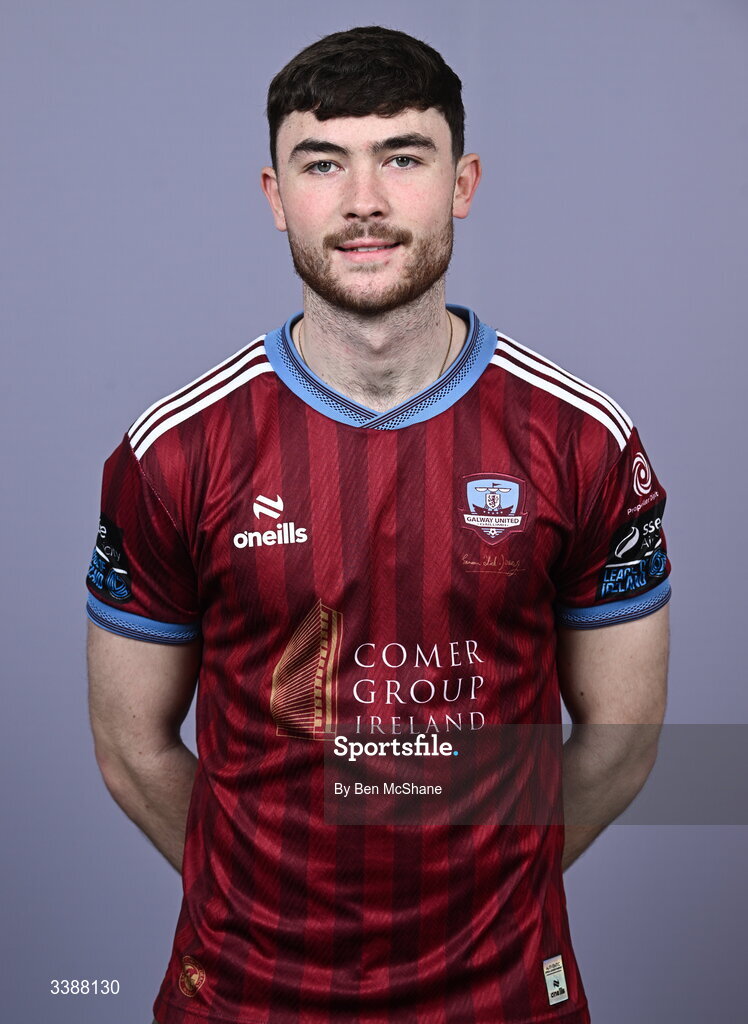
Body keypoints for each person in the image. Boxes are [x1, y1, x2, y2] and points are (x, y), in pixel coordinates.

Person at [86, 25, 670, 1024]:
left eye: (403, 157)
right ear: (276, 196)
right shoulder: (173, 451)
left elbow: (621, 739)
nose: (363, 200)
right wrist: (257, 896)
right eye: (323, 164)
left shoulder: (583, 440)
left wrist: (484, 894)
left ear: (462, 183)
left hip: (502, 994)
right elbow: (129, 742)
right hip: (244, 994)